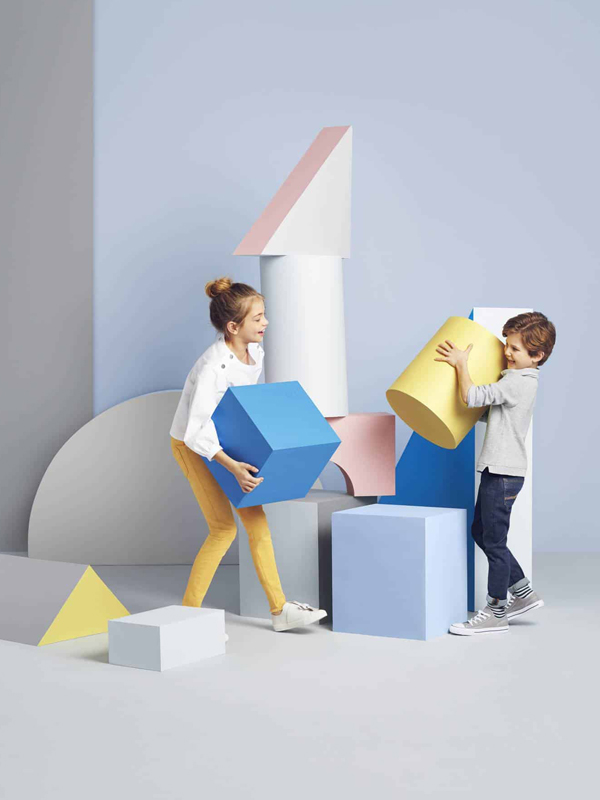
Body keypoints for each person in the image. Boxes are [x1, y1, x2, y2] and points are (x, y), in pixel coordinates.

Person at [170, 277, 327, 632]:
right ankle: (185, 617)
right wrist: (233, 467)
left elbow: (240, 408)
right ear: (233, 326)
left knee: (258, 524)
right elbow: (197, 430)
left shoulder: (254, 353)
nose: (265, 323)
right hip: (192, 445)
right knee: (223, 530)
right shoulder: (213, 368)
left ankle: (280, 611)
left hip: (226, 442)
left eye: (264, 315)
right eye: (258, 318)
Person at [435, 312, 556, 635]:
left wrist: (461, 364)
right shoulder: (521, 381)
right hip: (499, 471)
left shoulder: (516, 381)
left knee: (494, 542)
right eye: (507, 345)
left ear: (537, 355)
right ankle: (523, 593)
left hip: (502, 473)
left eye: (515, 349)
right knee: (481, 532)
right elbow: (492, 415)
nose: (507, 352)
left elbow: (471, 396)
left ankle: (496, 611)